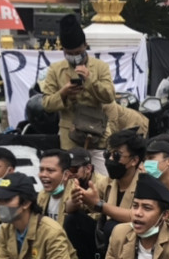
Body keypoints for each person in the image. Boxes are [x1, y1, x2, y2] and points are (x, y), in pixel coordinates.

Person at [41, 14, 115, 172]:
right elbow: (46, 104)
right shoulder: (55, 70)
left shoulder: (100, 67)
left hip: (98, 134)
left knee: (102, 180)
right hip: (70, 136)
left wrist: (90, 80)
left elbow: (109, 96)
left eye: (77, 52)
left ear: (85, 45)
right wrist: (63, 93)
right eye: (69, 53)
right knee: (72, 182)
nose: (74, 57)